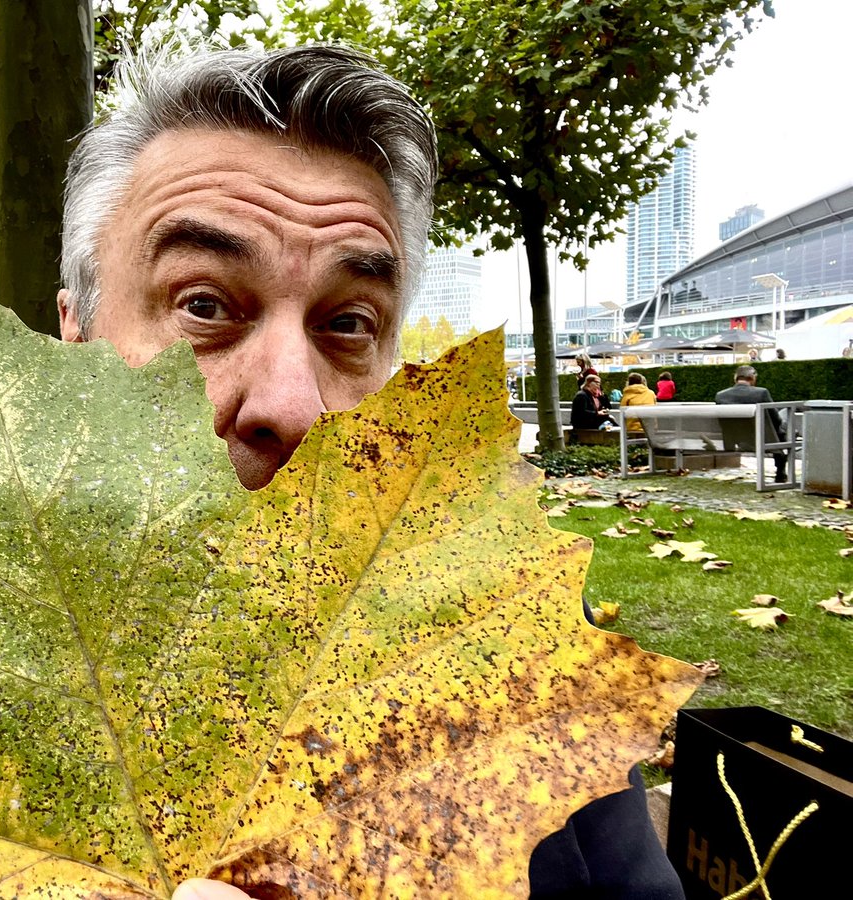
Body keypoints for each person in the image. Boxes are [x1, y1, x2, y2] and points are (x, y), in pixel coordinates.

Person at [57, 43, 680, 898]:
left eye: (348, 323)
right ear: (74, 337)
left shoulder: (503, 636)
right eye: (204, 305)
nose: (295, 406)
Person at [716, 365, 788, 483]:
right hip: (763, 439)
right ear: (752, 377)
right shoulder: (762, 393)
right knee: (782, 430)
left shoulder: (721, 395)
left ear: (735, 378)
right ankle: (780, 472)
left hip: (737, 439)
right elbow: (776, 419)